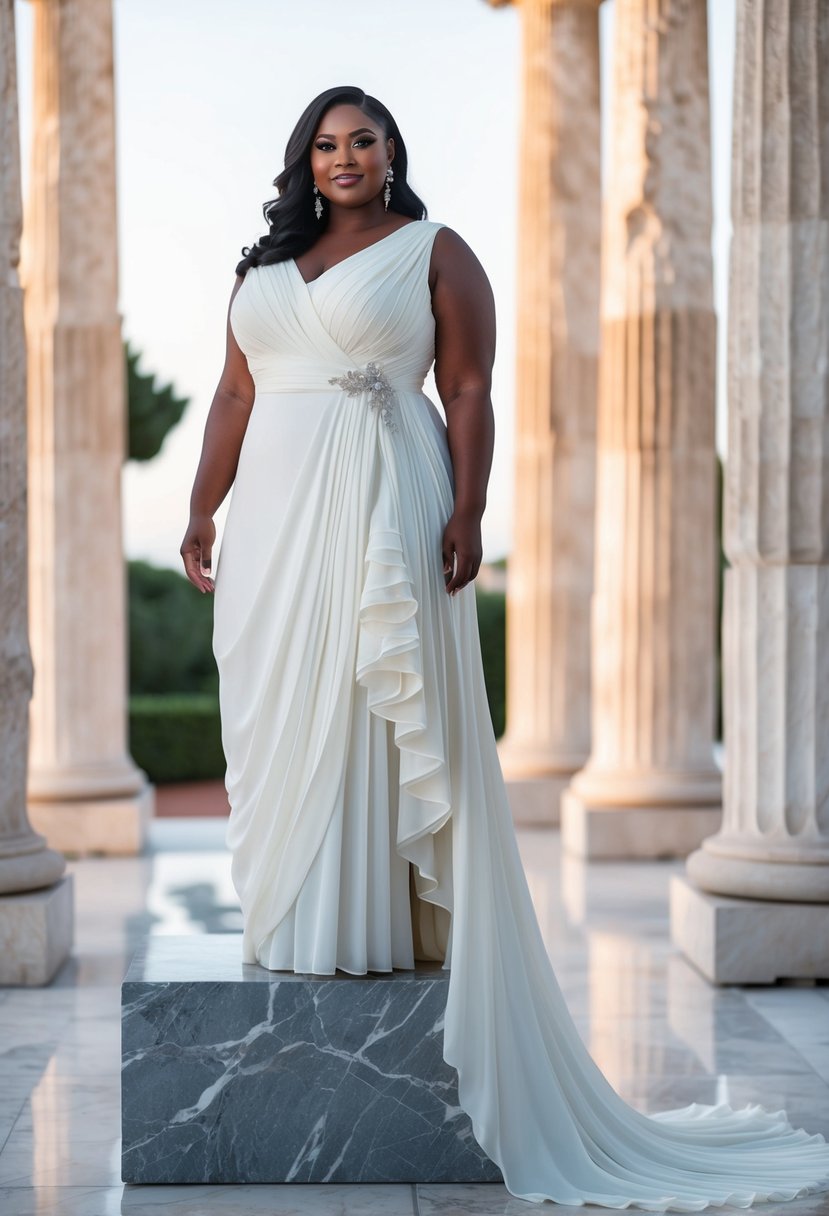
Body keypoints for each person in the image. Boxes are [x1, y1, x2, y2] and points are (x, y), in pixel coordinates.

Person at [180, 85, 829, 1210]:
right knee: (278, 702)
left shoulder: (437, 248)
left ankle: (380, 921)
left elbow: (469, 386)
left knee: (378, 701)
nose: (345, 157)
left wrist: (468, 509)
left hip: (387, 493)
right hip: (273, 515)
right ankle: (296, 907)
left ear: (391, 151)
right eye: (327, 144)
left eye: (363, 139)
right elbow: (234, 392)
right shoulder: (257, 273)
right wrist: (200, 509)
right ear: (304, 159)